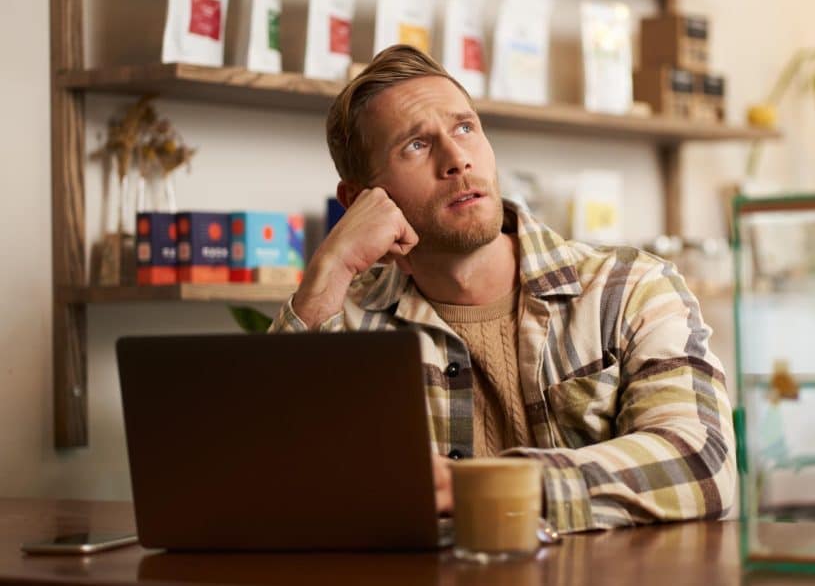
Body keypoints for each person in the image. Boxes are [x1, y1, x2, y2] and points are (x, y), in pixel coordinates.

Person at [270, 44, 736, 534]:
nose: (457, 160)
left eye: (465, 128)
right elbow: (263, 482)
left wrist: (502, 485)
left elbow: (702, 461)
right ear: (359, 199)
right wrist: (327, 270)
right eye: (416, 145)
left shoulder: (629, 289)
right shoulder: (347, 320)